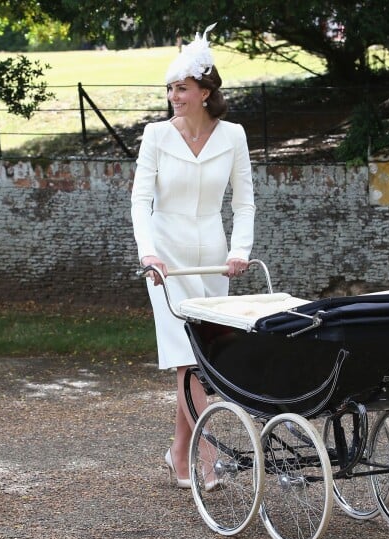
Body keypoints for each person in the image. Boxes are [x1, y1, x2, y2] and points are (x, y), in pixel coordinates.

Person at [130, 24, 255, 490]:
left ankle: (177, 452)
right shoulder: (156, 136)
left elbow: (244, 202)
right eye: (169, 88)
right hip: (165, 259)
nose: (172, 96)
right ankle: (207, 459)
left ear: (204, 92)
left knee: (201, 360)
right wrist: (148, 253)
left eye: (180, 88)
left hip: (214, 259)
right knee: (186, 359)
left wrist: (240, 250)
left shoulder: (234, 136)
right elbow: (140, 201)